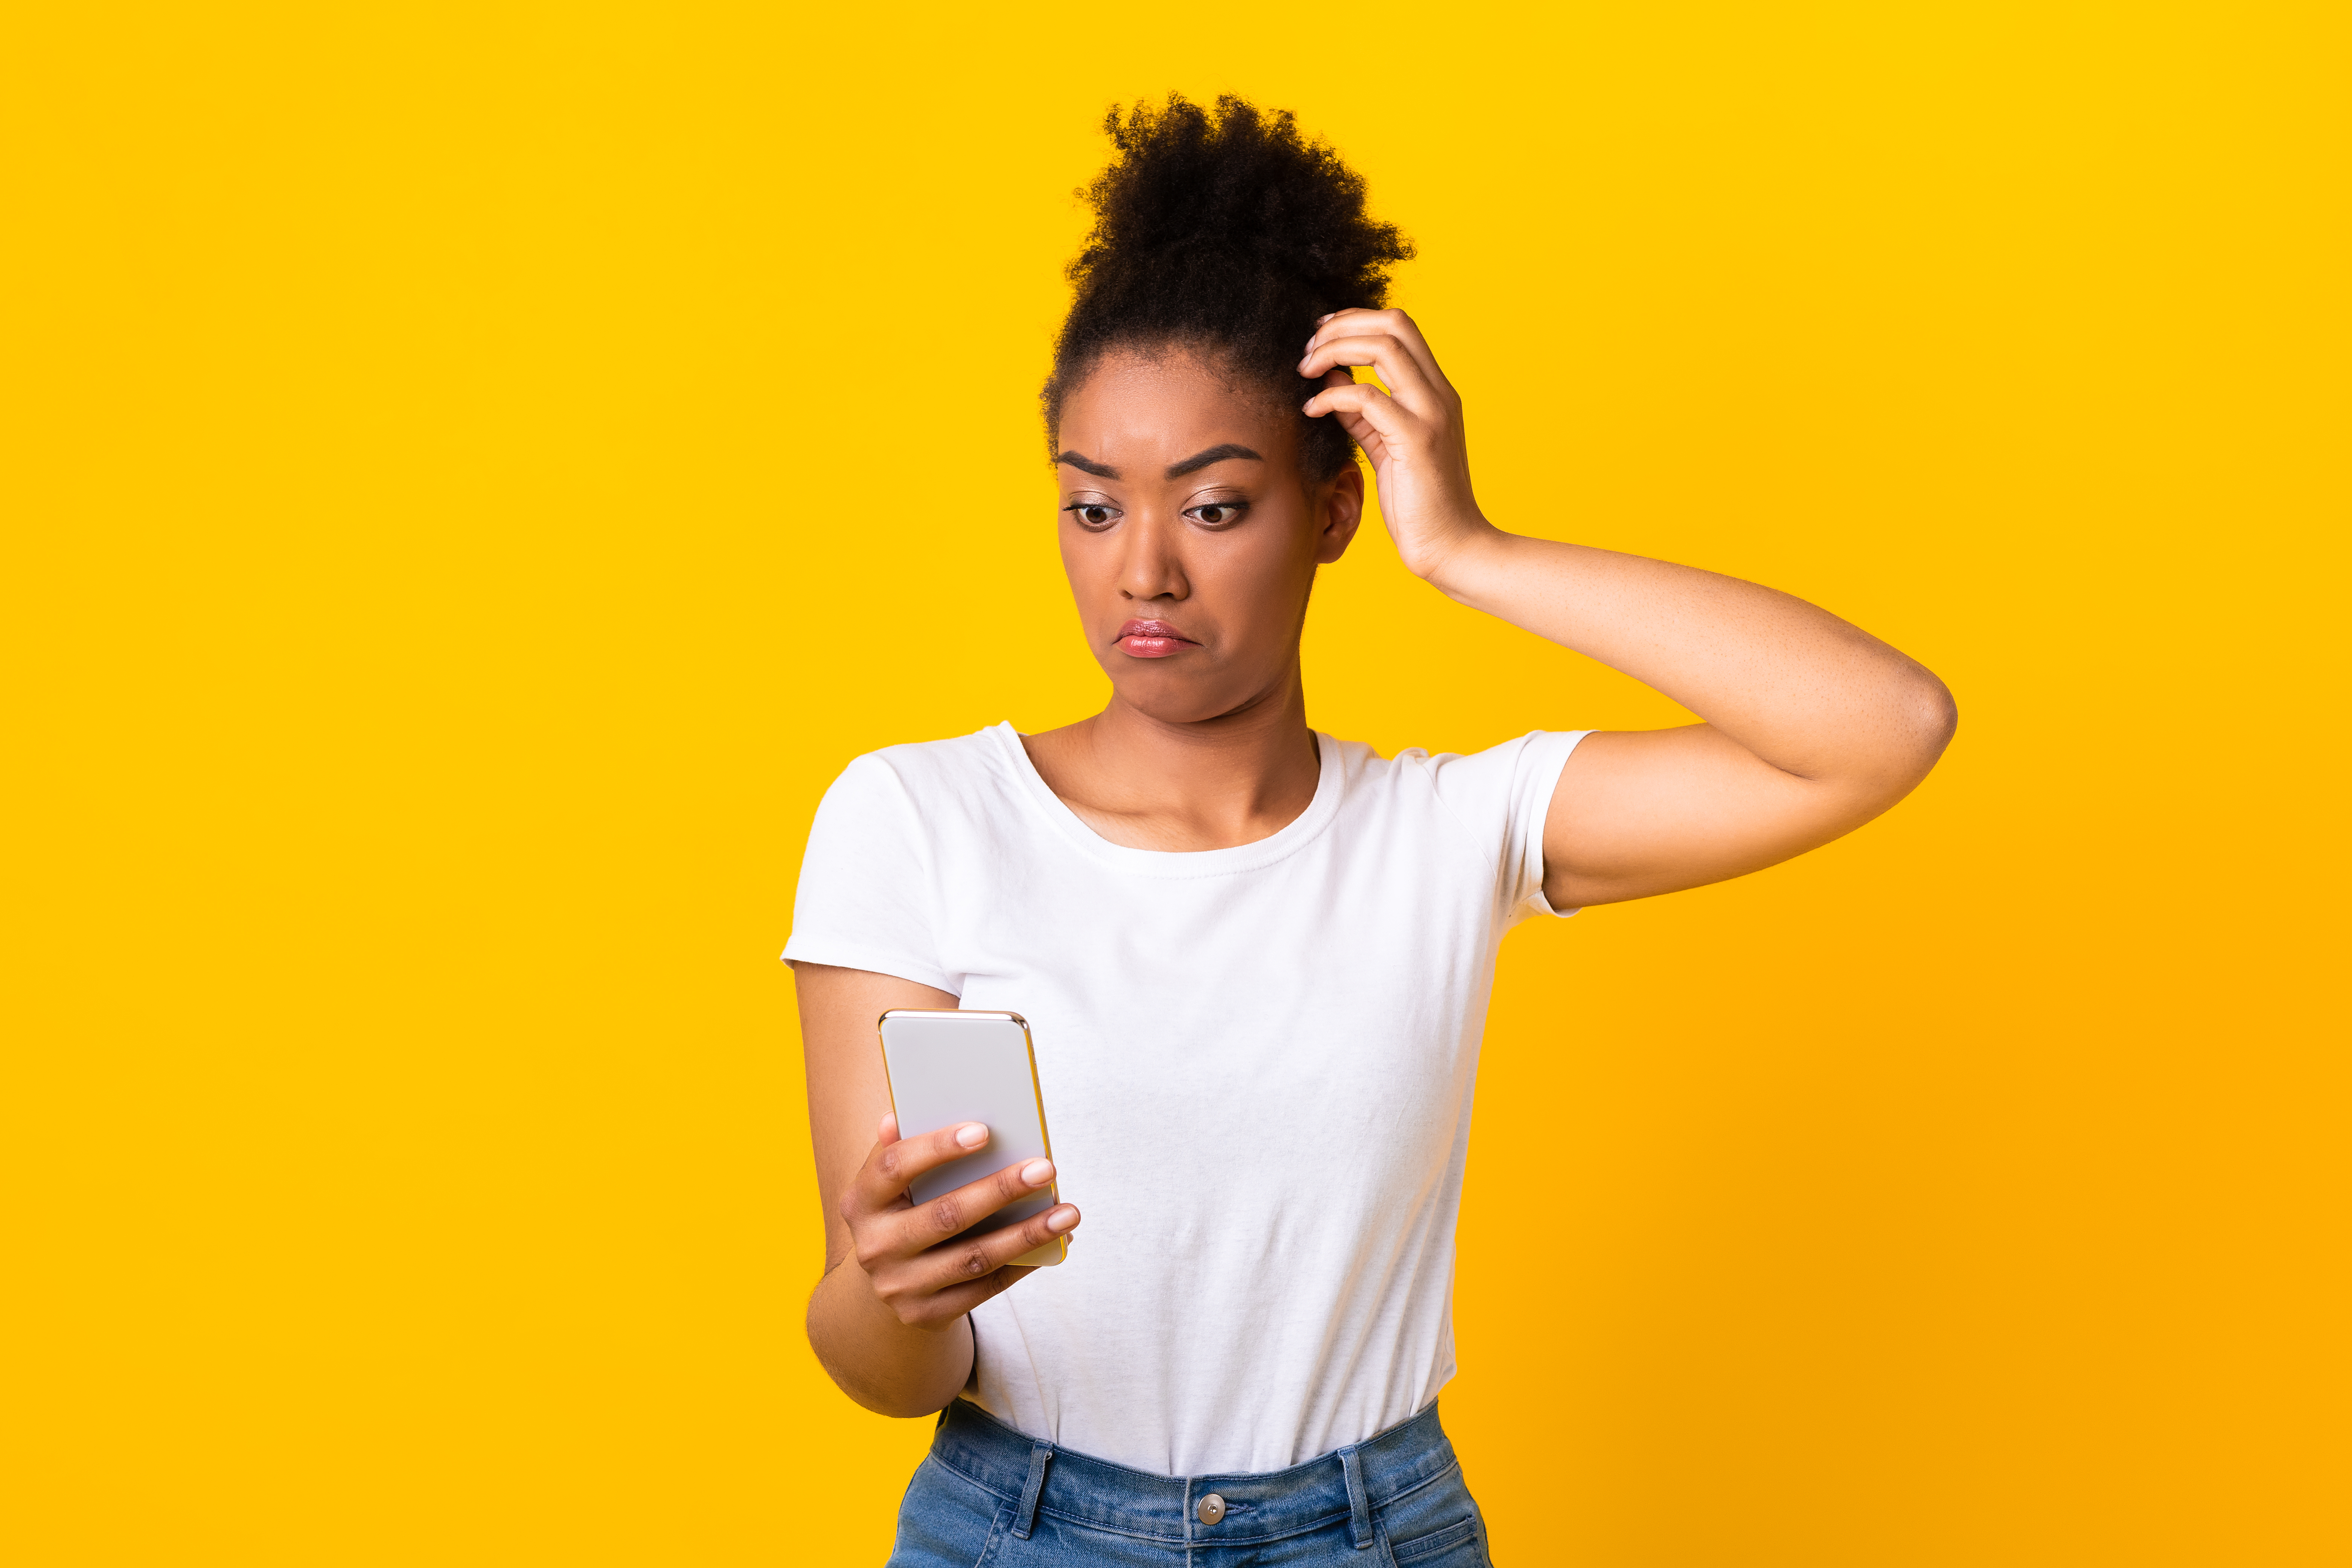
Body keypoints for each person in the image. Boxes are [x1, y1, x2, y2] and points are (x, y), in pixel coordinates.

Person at [785, 94, 1955, 1566]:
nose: (1140, 571)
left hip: (1366, 1533)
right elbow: (882, 1367)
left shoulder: (1441, 833)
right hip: (1018, 1525)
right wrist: (899, 1292)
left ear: (1334, 506)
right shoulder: (913, 819)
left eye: (1211, 507)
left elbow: (1880, 728)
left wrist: (1469, 550)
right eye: (1091, 510)